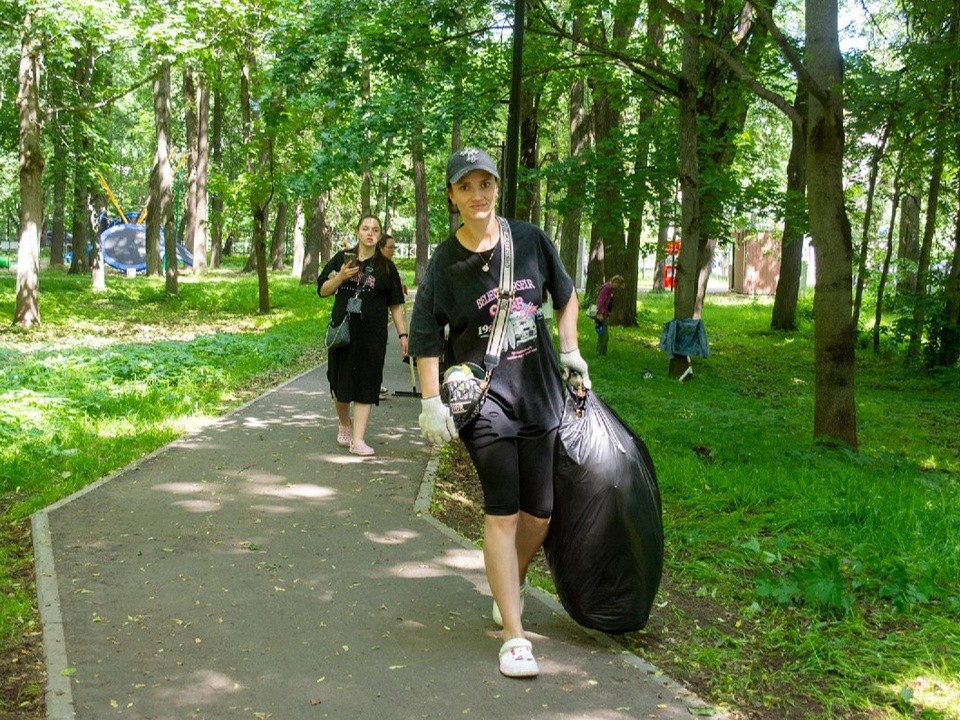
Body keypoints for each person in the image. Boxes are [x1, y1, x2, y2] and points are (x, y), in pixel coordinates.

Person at [408, 147, 590, 679]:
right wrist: (430, 402)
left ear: (496, 187)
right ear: (451, 196)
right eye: (465, 187)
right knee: (503, 513)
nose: (477, 195)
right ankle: (514, 636)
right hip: (485, 402)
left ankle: (509, 580)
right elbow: (425, 334)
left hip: (540, 394)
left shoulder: (529, 240)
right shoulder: (445, 264)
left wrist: (571, 349)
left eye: (484, 184)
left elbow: (566, 294)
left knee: (540, 515)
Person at [318, 215, 408, 456]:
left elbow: (396, 304)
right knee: (338, 383)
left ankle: (358, 440)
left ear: (379, 235)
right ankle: (344, 423)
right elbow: (322, 290)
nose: (370, 233)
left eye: (375, 230)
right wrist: (340, 277)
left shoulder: (386, 267)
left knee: (367, 382)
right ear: (357, 232)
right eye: (366, 228)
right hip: (343, 332)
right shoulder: (342, 258)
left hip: (372, 335)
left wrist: (403, 335)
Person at [594, 274, 625, 355]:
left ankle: (603, 352)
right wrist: (600, 313)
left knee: (605, 336)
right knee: (602, 335)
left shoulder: (610, 289)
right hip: (600, 315)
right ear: (615, 282)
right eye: (618, 285)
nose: (617, 287)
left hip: (604, 314)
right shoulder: (606, 288)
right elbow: (600, 301)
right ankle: (600, 353)